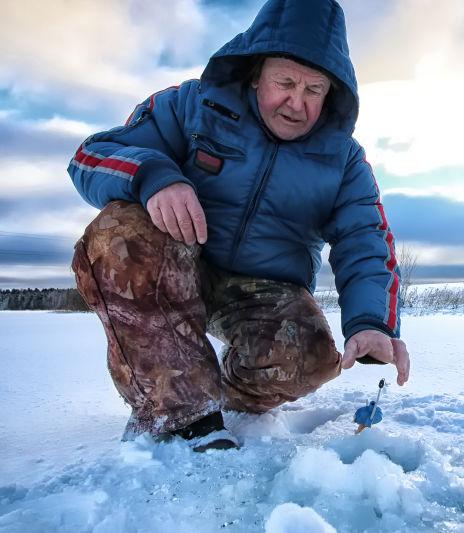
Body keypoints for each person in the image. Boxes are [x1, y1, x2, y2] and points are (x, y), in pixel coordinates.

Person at [68, 0, 410, 452]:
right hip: (179, 264)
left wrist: (372, 324)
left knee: (309, 358)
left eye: (314, 89)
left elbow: (365, 240)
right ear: (255, 73)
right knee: (120, 235)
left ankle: (220, 394)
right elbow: (90, 156)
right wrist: (153, 177)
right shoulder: (191, 105)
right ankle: (180, 417)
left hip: (263, 290)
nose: (297, 102)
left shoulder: (344, 159)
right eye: (285, 82)